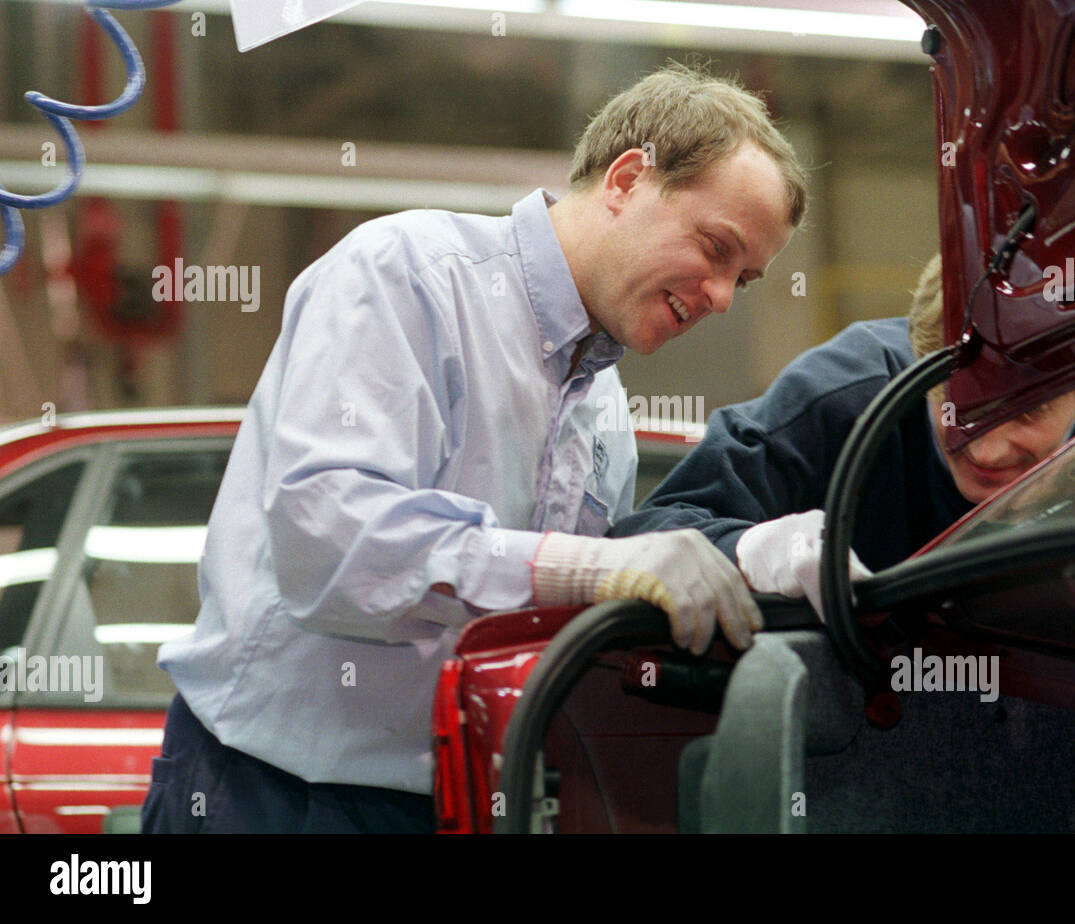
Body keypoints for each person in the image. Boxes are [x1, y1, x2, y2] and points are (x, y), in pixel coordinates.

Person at [141, 63, 808, 833]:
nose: (723, 297)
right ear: (627, 180)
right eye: (716, 248)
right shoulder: (408, 275)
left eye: (747, 280)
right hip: (272, 793)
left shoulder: (605, 408)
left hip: (454, 799)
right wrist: (583, 567)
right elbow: (327, 540)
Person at [609, 253, 1075, 613]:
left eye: (1026, 414)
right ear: (920, 360)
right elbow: (648, 533)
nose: (983, 447)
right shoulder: (842, 396)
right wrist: (753, 550)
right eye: (956, 403)